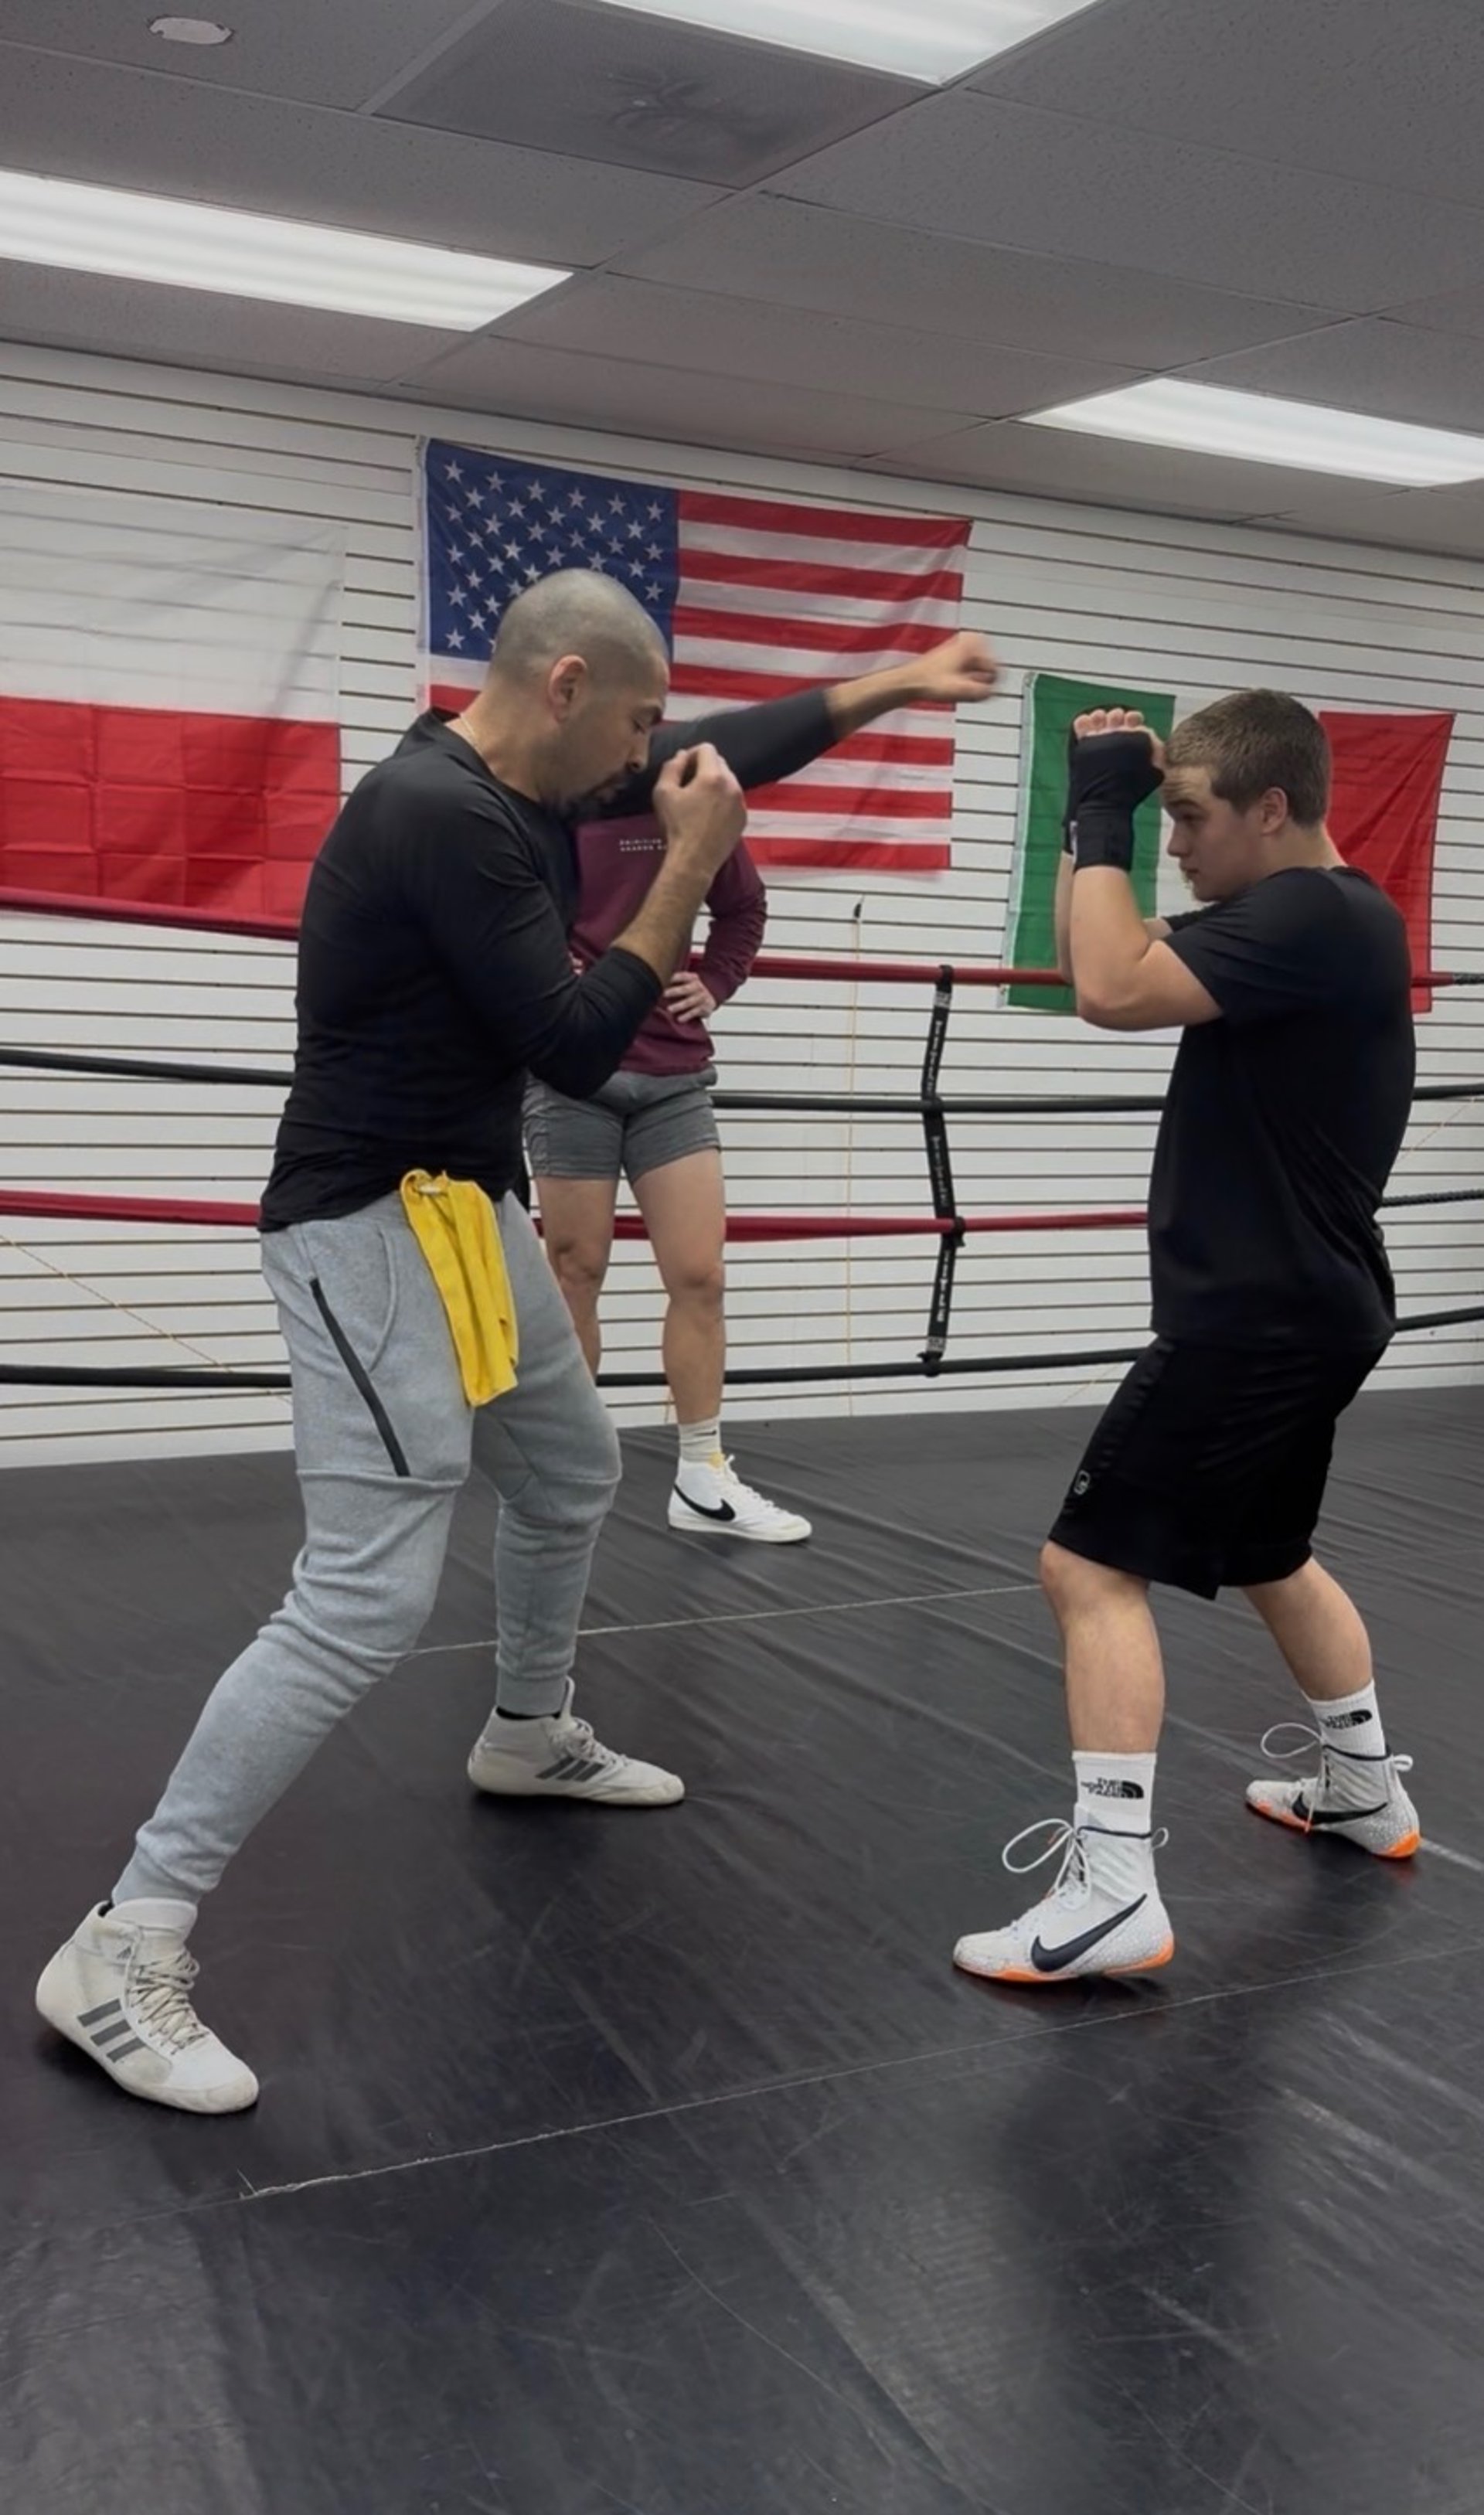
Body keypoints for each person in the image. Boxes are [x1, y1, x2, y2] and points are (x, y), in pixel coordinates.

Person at [36, 571, 754, 2113]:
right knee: (367, 1585)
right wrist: (689, 866)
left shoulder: (510, 791)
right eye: (632, 727)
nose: (641, 767)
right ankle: (124, 1938)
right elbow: (573, 1040)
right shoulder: (441, 815)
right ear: (564, 688)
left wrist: (886, 694)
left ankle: (527, 1728)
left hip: (460, 1211)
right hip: (363, 1221)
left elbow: (714, 748)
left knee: (570, 1466)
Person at [954, 691, 1419, 1987]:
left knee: (1086, 1567)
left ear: (1274, 807)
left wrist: (1104, 803)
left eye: (1194, 816)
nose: (1179, 843)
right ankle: (1366, 1786)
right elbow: (1096, 948)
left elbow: (1106, 987)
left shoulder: (1315, 918)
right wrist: (1087, 806)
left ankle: (1113, 1890)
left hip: (1256, 1314)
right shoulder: (1327, 915)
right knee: (1272, 1551)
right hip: (1311, 1303)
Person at [528, 632, 999, 1542]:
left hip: (672, 1076)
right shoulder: (547, 805)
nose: (637, 749)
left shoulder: (683, 795)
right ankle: (567, 1470)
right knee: (573, 1269)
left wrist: (717, 978)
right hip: (572, 1074)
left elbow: (741, 905)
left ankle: (702, 1473)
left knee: (700, 1273)